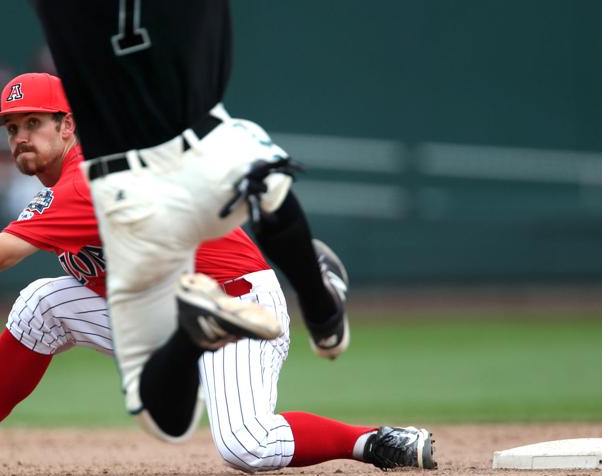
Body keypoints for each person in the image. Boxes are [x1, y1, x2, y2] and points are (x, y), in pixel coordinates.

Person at [0, 73, 436, 476]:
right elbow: (112, 274)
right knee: (40, 305)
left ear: (68, 126)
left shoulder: (84, 182)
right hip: (170, 314)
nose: (19, 138)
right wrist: (17, 348)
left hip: (236, 304)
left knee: (245, 444)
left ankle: (374, 440)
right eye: (12, 128)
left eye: (34, 123)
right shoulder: (56, 193)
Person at [29, 0, 363, 444]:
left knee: (162, 417)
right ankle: (319, 305)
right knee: (264, 182)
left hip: (123, 188)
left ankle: (195, 332)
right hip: (209, 147)